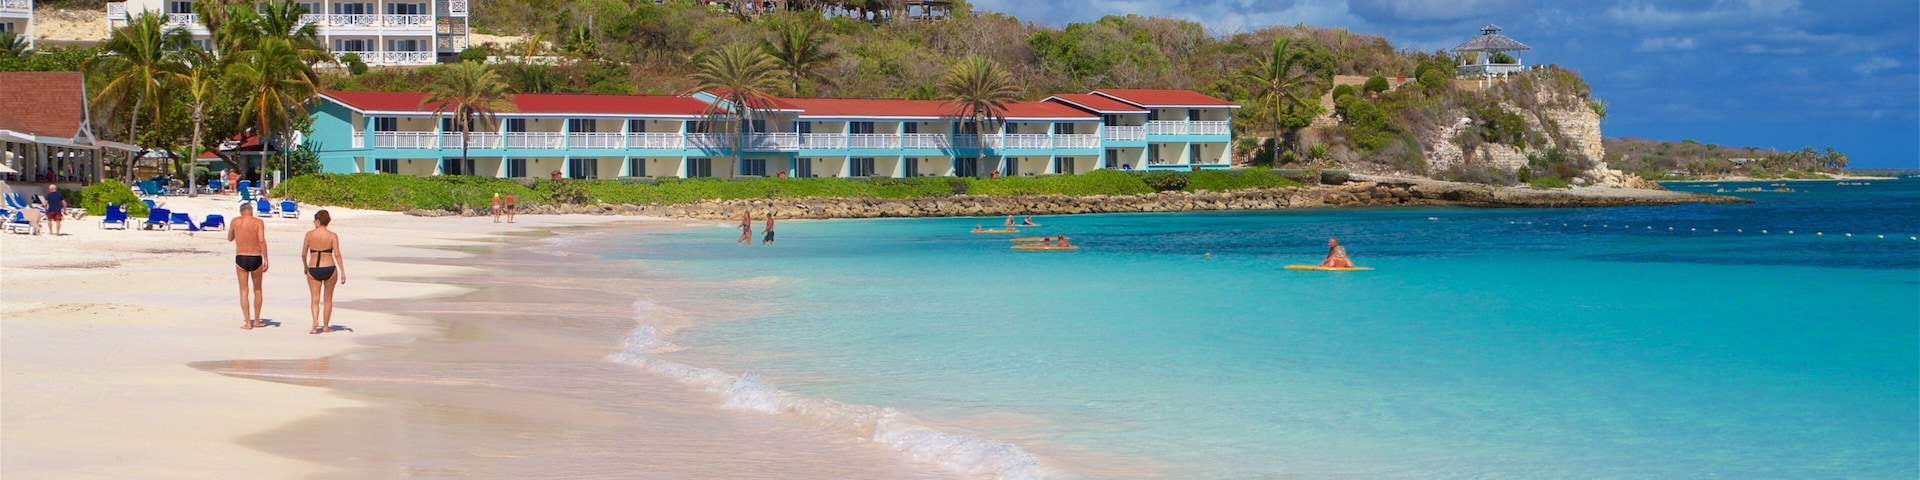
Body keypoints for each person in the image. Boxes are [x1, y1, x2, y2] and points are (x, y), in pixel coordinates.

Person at [301, 210, 346, 334]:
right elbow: (337, 254)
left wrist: (305, 266)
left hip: (313, 268)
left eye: (314, 220)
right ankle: (325, 326)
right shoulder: (332, 235)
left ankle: (315, 321)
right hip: (329, 268)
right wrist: (342, 271)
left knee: (314, 299)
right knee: (328, 299)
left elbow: (304, 253)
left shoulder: (309, 234)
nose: (314, 223)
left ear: (318, 221)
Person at [228, 203, 268, 329]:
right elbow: (261, 241)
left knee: (243, 291)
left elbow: (230, 238)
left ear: (241, 212)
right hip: (255, 256)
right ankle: (256, 320)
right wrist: (266, 258)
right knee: (258, 290)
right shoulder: (258, 222)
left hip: (241, 257)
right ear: (250, 210)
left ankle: (247, 322)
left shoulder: (235, 221)